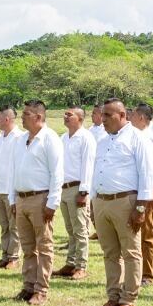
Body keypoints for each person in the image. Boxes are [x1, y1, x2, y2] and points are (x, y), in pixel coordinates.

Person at [89, 98, 153, 306]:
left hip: (125, 202)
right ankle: (113, 297)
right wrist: (93, 199)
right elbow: (96, 171)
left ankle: (129, 299)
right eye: (102, 115)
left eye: (108, 115)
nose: (103, 119)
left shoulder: (138, 138)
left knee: (130, 252)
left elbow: (148, 173)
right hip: (102, 201)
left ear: (122, 116)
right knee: (110, 253)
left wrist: (140, 207)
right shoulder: (102, 140)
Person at [9, 100, 64, 306]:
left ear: (39, 117)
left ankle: (41, 289)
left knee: (44, 245)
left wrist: (52, 202)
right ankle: (29, 285)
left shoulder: (50, 139)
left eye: (26, 114)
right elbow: (15, 170)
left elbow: (57, 173)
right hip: (22, 198)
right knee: (28, 246)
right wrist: (12, 198)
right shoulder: (22, 139)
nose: (22, 117)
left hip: (40, 198)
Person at [54, 107, 96, 281]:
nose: (65, 117)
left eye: (69, 115)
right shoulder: (63, 138)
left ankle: (81, 265)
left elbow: (88, 165)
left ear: (80, 118)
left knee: (80, 229)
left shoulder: (86, 138)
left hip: (77, 188)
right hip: (63, 188)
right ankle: (71, 262)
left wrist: (84, 191)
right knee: (70, 229)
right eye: (65, 114)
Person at [129, 103, 153, 284]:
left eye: (133, 115)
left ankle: (147, 274)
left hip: (147, 194)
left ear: (141, 118)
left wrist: (148, 196)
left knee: (147, 234)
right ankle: (131, 273)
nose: (130, 117)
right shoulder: (129, 136)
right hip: (128, 193)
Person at [0, 106, 24, 269]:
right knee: (4, 225)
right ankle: (5, 255)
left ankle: (14, 257)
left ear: (7, 119)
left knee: (14, 225)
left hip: (12, 189)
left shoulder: (20, 137)